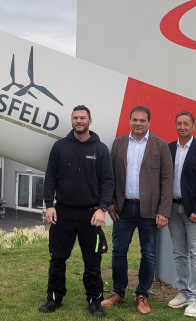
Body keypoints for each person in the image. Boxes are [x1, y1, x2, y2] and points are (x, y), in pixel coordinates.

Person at [39, 105, 114, 318]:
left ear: (90, 121)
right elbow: (50, 177)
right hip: (62, 212)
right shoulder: (60, 147)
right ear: (71, 121)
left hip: (90, 214)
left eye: (82, 118)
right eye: (75, 118)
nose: (78, 121)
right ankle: (54, 299)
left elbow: (108, 181)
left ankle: (95, 301)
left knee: (92, 261)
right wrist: (49, 205)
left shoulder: (100, 149)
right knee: (57, 258)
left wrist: (101, 209)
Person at [103, 105, 173, 315]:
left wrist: (164, 210)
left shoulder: (160, 146)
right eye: (135, 119)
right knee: (118, 252)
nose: (138, 123)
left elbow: (167, 181)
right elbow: (110, 176)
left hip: (149, 211)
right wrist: (111, 202)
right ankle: (119, 292)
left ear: (149, 122)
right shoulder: (119, 143)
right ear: (130, 121)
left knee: (149, 254)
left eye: (142, 120)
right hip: (122, 209)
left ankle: (142, 295)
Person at [166, 111, 196, 318]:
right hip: (173, 209)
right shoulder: (168, 149)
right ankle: (184, 293)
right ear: (175, 126)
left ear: (194, 126)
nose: (182, 127)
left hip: (194, 212)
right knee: (179, 253)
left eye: (186, 123)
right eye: (179, 123)